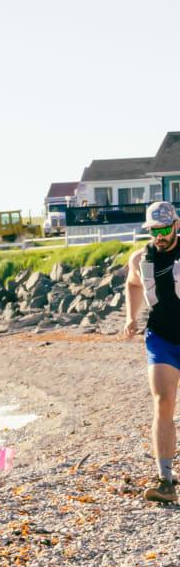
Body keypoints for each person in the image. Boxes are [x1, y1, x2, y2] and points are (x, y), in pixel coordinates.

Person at [123, 199, 180, 503]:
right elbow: (133, 285)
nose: (160, 235)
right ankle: (166, 481)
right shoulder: (140, 259)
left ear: (176, 225)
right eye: (154, 229)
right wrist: (131, 317)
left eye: (165, 228)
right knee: (163, 403)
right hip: (160, 337)